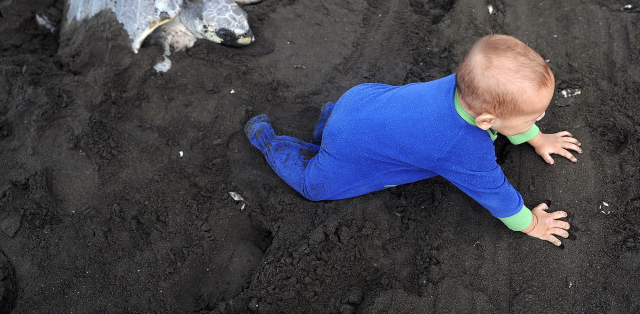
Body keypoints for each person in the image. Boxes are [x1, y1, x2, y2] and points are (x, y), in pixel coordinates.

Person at [245, 34, 582, 246]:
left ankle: (327, 119)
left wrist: (537, 138)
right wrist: (533, 223)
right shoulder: (463, 149)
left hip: (360, 101)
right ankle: (268, 140)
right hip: (352, 144)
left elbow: (505, 116)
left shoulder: (468, 86)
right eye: (532, 118)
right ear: (486, 122)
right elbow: (498, 196)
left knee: (356, 124)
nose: (539, 119)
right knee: (315, 186)